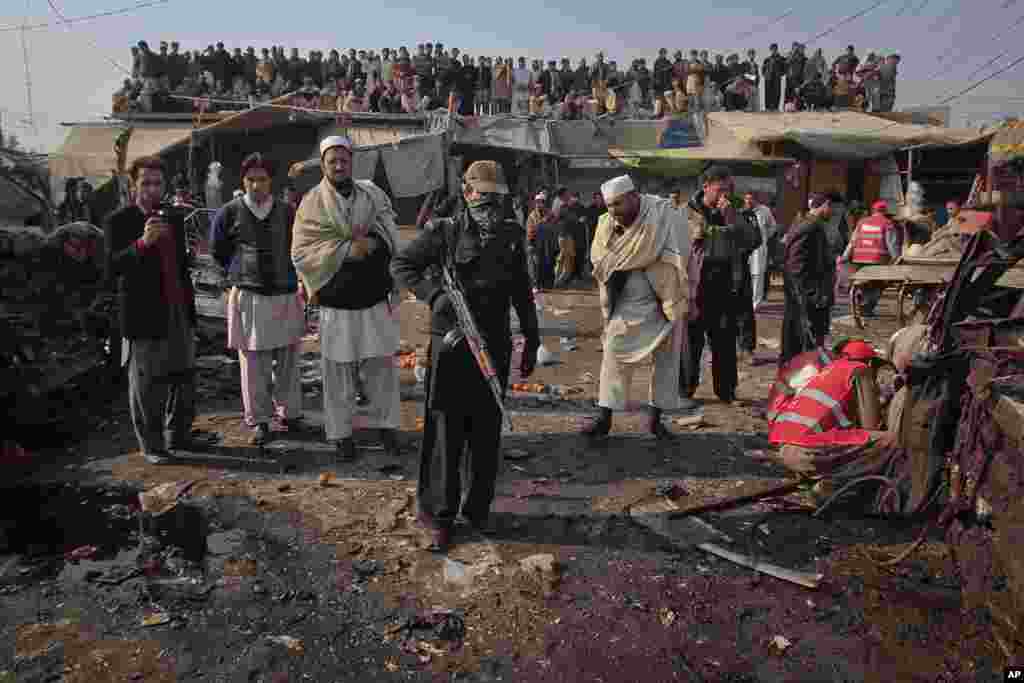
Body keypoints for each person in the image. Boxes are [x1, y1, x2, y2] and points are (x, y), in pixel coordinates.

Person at [391, 160, 540, 552]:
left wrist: (532, 337)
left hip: (493, 346)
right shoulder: (445, 231)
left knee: (486, 432)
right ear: (467, 192)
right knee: (446, 431)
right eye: (481, 195)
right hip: (452, 347)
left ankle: (477, 510)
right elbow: (402, 264)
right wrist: (435, 297)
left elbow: (522, 291)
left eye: (495, 197)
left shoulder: (510, 234)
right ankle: (440, 515)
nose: (488, 204)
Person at [291, 136, 401, 461]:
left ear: (351, 161)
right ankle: (341, 435)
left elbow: (388, 227)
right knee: (338, 374)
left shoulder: (371, 193)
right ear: (323, 165)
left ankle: (387, 428)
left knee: (382, 368)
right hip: (336, 304)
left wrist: (374, 243)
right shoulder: (311, 203)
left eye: (344, 160)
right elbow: (301, 252)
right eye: (332, 161)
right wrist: (345, 250)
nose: (339, 166)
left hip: (373, 296)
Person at [104, 156, 197, 464]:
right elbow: (111, 268)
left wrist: (189, 309)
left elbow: (182, 268)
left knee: (183, 379)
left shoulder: (173, 218)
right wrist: (142, 244)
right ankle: (152, 446)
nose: (152, 189)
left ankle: (178, 435)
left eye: (158, 183)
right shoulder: (119, 220)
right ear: (133, 186)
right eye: (145, 183)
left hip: (178, 310)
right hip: (143, 315)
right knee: (146, 386)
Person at [582, 175, 689, 438]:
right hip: (627, 301)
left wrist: (689, 294)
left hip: (664, 298)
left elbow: (681, 251)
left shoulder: (664, 214)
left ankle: (655, 419)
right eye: (609, 206)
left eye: (618, 204)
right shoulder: (605, 223)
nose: (613, 211)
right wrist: (625, 255)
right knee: (613, 353)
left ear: (633, 197)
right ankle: (605, 417)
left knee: (666, 362)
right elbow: (600, 259)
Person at [209, 153, 305, 445]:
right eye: (250, 180)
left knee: (288, 360)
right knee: (253, 364)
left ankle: (289, 413)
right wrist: (238, 273)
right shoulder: (229, 212)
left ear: (270, 182)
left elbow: (300, 247)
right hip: (250, 296)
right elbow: (218, 250)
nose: (256, 186)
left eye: (261, 180)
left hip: (285, 293)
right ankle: (260, 421)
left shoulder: (288, 212)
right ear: (243, 181)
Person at [767, 338, 896, 498]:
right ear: (869, 362)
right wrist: (883, 401)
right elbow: (871, 425)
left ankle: (818, 477)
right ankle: (835, 483)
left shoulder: (829, 368)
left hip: (785, 444)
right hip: (804, 447)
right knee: (891, 439)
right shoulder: (860, 370)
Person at [682, 166, 761, 405]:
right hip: (695, 285)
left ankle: (726, 391)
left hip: (726, 284)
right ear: (706, 187)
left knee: (725, 341)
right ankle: (684, 390)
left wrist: (733, 220)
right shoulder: (686, 212)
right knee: (691, 340)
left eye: (728, 190)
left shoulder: (735, 212)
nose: (724, 195)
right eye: (720, 189)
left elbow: (754, 240)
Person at [780, 193, 833, 365]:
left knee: (798, 337)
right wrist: (809, 294)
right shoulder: (809, 226)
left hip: (805, 293)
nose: (831, 211)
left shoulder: (808, 224)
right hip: (807, 295)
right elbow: (795, 264)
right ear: (823, 205)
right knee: (802, 338)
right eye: (830, 207)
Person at [840, 200, 899, 317]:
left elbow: (853, 241)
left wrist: (845, 256)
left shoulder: (862, 222)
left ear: (873, 211)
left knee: (863, 284)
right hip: (878, 260)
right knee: (877, 285)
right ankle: (866, 308)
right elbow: (891, 244)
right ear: (885, 211)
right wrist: (896, 259)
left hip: (859, 259)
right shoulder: (887, 223)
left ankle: (861, 305)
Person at [742, 192, 777, 312]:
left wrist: (764, 237)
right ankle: (745, 301)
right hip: (745, 248)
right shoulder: (742, 211)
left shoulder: (765, 211)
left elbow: (772, 226)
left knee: (758, 275)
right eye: (746, 199)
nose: (748, 202)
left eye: (750, 199)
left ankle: (756, 303)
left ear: (756, 200)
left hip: (759, 249)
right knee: (746, 274)